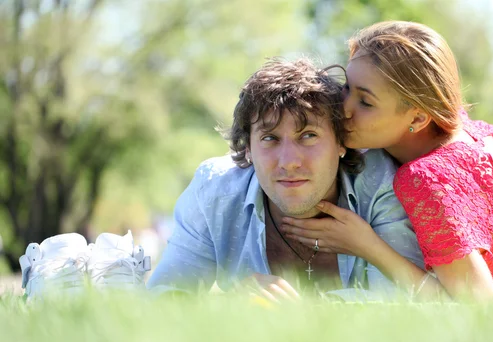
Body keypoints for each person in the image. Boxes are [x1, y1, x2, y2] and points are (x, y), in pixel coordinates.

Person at [282, 21, 493, 301]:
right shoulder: (455, 125)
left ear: (419, 116)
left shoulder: (427, 180)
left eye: (365, 101)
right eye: (347, 87)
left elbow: (479, 308)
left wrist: (366, 245)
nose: (344, 108)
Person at [146, 58, 444, 301]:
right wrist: (229, 307)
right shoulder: (213, 191)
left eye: (309, 136)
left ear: (342, 142)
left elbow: (401, 304)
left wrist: (308, 314)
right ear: (247, 147)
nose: (289, 161)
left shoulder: (384, 183)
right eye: (270, 138)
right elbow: (164, 297)